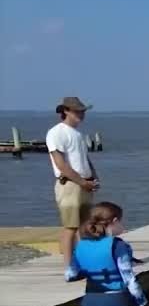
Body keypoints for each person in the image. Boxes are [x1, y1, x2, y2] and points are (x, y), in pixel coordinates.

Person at [47, 97, 99, 268]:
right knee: (70, 227)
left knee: (84, 227)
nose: (81, 114)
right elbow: (60, 164)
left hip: (84, 183)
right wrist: (81, 182)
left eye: (82, 111)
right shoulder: (57, 132)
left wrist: (93, 177)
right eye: (78, 111)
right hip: (69, 184)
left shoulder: (78, 134)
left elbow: (84, 159)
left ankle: (83, 262)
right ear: (66, 111)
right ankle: (69, 266)